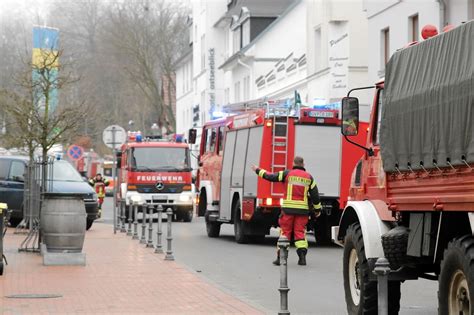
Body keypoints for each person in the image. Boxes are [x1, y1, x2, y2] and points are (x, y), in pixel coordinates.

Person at [251, 156, 322, 266]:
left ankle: (281, 258)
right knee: (300, 233)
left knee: (285, 233)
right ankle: (302, 258)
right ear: (303, 164)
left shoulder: (286, 174)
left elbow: (270, 176)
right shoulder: (309, 177)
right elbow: (315, 196)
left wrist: (257, 170)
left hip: (288, 210)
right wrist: (317, 210)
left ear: (293, 163)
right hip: (302, 211)